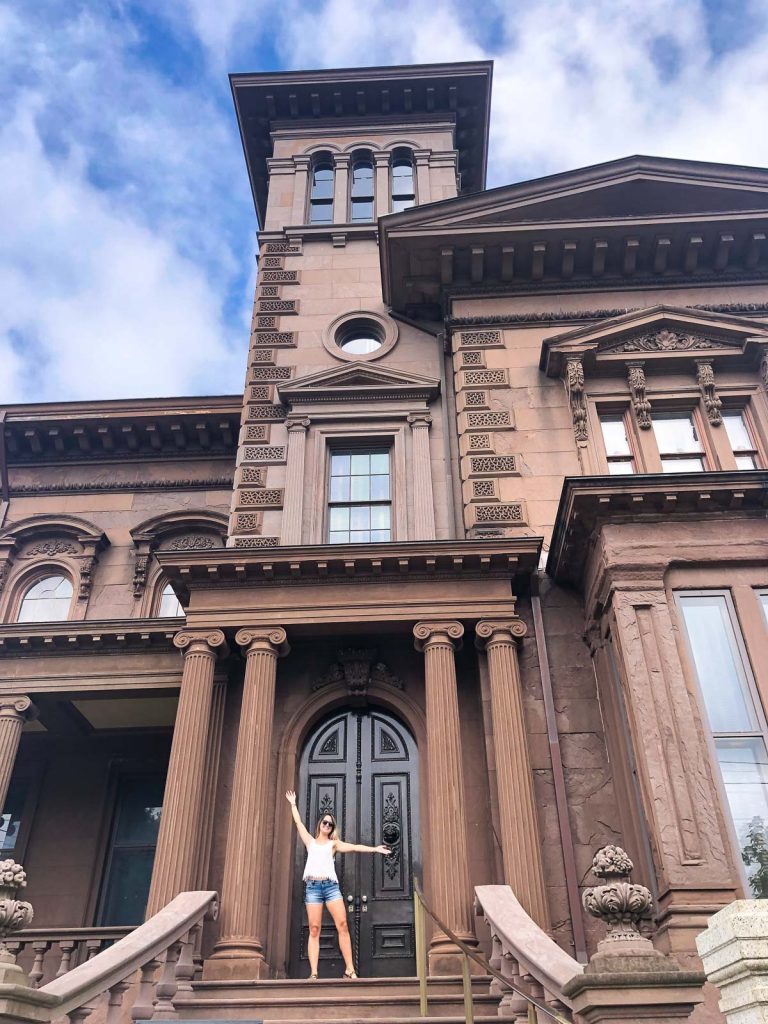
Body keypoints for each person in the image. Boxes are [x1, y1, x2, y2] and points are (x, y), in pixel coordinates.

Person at [286, 789, 390, 979]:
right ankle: (314, 973)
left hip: (331, 888)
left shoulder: (333, 845)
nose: (327, 825)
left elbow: (355, 847)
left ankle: (349, 969)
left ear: (332, 828)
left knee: (342, 924)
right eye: (325, 822)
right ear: (320, 824)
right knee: (314, 928)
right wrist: (293, 804)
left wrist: (375, 849)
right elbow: (298, 823)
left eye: (330, 824)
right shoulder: (310, 841)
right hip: (313, 889)